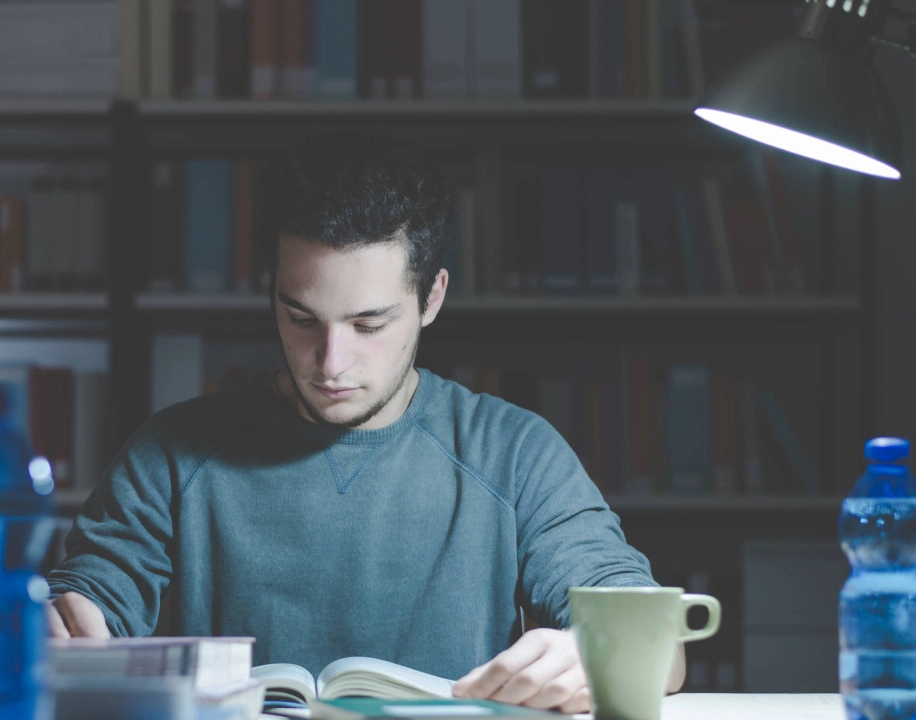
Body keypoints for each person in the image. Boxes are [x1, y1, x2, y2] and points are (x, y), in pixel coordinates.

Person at [46, 131, 685, 713]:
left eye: (368, 325)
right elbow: (85, 600)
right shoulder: (172, 454)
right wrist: (58, 627)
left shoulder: (514, 453)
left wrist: (605, 655)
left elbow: (658, 643)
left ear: (431, 298)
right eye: (301, 319)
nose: (331, 363)